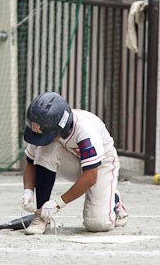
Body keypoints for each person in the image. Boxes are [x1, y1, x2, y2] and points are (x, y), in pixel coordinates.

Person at [20, 92, 129, 235]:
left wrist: (57, 204)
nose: (40, 138)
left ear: (63, 126)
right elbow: (30, 163)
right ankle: (40, 217)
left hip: (101, 165)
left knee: (98, 224)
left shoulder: (86, 131)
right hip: (73, 160)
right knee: (45, 149)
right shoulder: (44, 127)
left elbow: (90, 177)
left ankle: (114, 199)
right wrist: (28, 190)